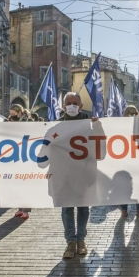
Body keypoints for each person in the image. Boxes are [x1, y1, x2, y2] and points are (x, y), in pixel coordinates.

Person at [59, 92, 99, 258]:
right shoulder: (57, 125)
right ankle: (70, 242)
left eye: (75, 103)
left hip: (84, 173)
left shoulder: (90, 123)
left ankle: (81, 240)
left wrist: (98, 127)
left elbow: (100, 145)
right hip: (65, 175)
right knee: (67, 208)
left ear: (81, 106)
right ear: (63, 106)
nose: (72, 106)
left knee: (83, 208)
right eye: (69, 103)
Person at [8, 104, 33, 219]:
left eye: (13, 114)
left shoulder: (29, 121)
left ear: (19, 113)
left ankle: (26, 210)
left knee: (26, 184)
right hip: (15, 156)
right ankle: (19, 207)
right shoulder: (10, 122)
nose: (11, 116)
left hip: (27, 157)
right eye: (11, 114)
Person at [120, 105, 139, 217]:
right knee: (138, 185)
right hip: (134, 160)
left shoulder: (121, 124)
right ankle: (138, 210)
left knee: (125, 186)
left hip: (127, 160)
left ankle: (124, 210)